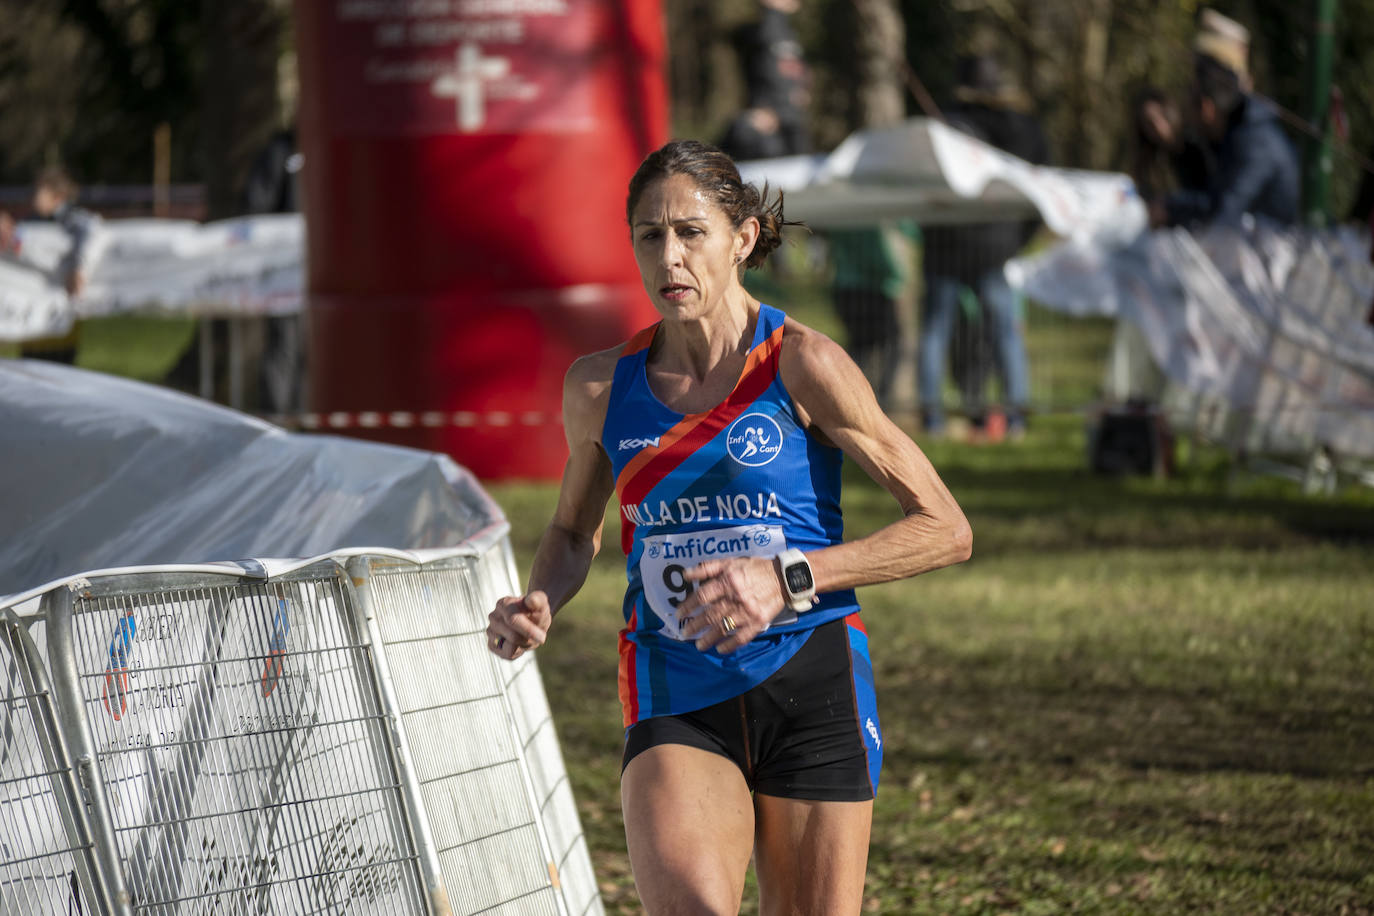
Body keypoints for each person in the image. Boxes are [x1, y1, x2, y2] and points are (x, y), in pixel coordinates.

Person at [485, 139, 971, 915]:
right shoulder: (603, 386)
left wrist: (790, 578)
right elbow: (574, 534)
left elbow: (945, 528)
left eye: (691, 232)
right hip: (675, 687)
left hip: (811, 685)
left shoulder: (803, 364)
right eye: (650, 235)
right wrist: (541, 597)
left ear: (742, 239)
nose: (669, 257)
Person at [918, 53, 1048, 439]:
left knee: (936, 333)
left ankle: (932, 420)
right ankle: (1016, 421)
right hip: (997, 246)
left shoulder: (943, 127)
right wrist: (1019, 240)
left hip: (947, 244)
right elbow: (1040, 187)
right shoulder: (1024, 129)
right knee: (1005, 333)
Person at [1159, 50, 1299, 228]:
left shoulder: (1253, 142)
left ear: (1207, 108)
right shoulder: (1237, 134)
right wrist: (1171, 207)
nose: (1187, 118)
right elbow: (1214, 200)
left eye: (1189, 108)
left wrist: (1171, 211)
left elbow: (1226, 212)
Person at [10, 167, 100, 364]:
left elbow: (89, 231)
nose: (32, 198)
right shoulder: (30, 222)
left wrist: (78, 268)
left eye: (38, 193)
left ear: (57, 196)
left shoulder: (75, 220)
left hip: (61, 329)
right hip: (31, 329)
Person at [827, 220, 918, 407]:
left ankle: (850, 397)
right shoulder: (872, 220)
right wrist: (898, 277)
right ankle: (875, 400)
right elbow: (882, 257)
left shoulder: (844, 216)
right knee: (891, 345)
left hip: (845, 287)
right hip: (873, 290)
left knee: (861, 347)